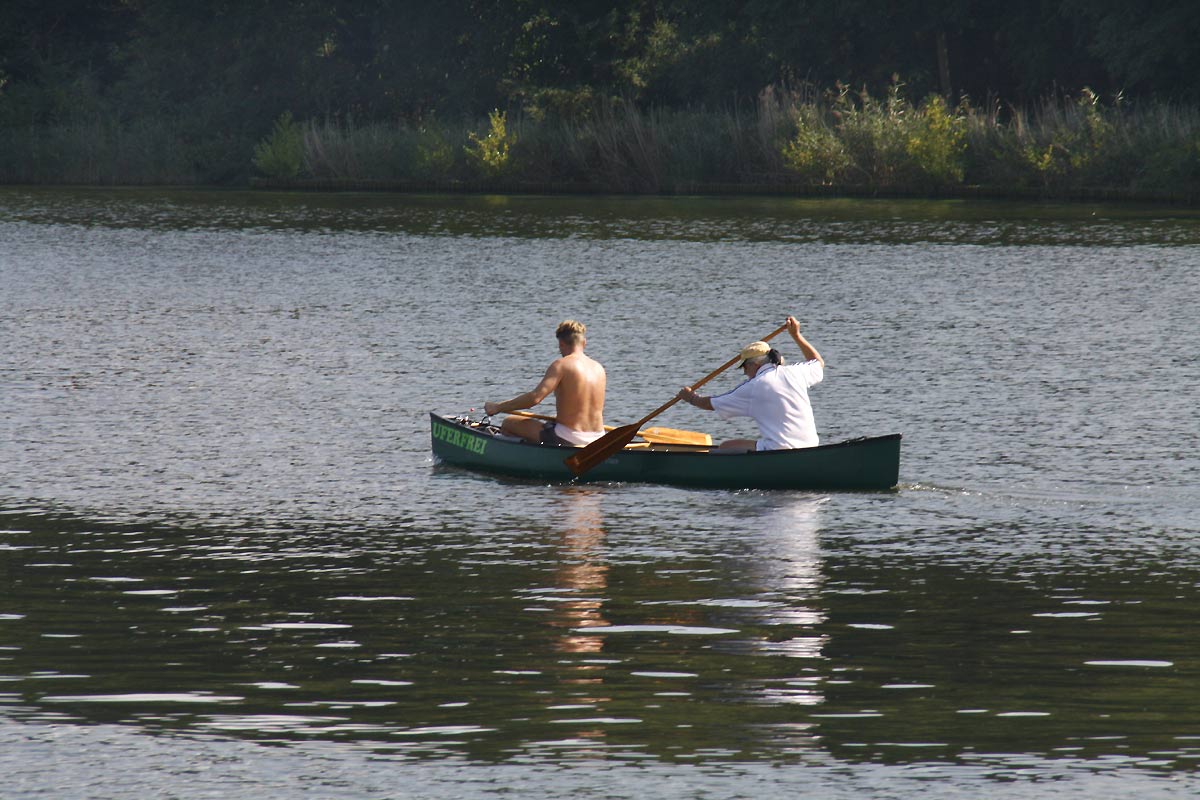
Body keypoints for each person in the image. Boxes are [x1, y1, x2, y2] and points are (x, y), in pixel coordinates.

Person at [676, 316, 824, 451]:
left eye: (745, 367)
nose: (745, 373)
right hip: (810, 446)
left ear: (754, 365)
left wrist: (690, 398)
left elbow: (711, 404)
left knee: (726, 447)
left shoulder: (753, 387)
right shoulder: (795, 372)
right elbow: (818, 363)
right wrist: (797, 336)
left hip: (778, 449)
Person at [485, 320, 607, 446]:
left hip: (569, 439)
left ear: (561, 344)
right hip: (598, 439)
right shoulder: (599, 368)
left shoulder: (561, 365)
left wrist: (498, 407)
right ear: (584, 343)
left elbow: (534, 398)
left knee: (509, 422)